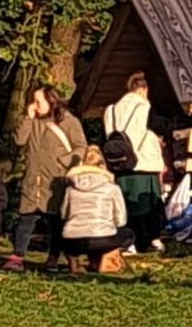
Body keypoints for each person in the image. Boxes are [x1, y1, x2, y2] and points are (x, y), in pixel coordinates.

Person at [3, 83, 86, 272]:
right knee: (26, 219)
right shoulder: (32, 121)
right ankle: (17, 257)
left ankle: (53, 258)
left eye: (38, 101)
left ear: (51, 101)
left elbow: (81, 147)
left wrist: (63, 162)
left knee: (56, 222)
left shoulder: (69, 121)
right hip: (33, 180)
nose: (35, 104)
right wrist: (28, 117)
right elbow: (19, 140)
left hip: (55, 182)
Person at [103, 72, 168, 256]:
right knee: (148, 207)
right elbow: (162, 127)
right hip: (144, 164)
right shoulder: (145, 108)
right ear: (143, 89)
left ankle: (127, 242)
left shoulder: (111, 110)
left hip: (119, 165)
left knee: (125, 207)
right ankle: (153, 240)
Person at [60, 146, 131, 273]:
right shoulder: (112, 188)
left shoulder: (70, 188)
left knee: (66, 237)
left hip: (73, 239)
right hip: (103, 237)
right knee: (128, 234)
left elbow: (63, 214)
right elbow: (121, 220)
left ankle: (74, 263)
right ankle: (102, 260)